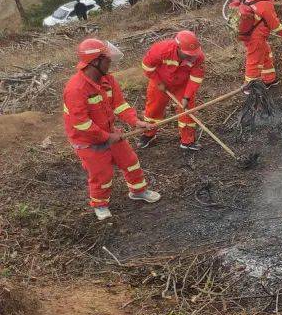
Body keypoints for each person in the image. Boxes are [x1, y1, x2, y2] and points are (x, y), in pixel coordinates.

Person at [62, 38, 160, 221]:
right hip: (87, 141)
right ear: (95, 62)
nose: (110, 63)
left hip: (109, 132)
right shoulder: (75, 89)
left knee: (130, 161)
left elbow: (119, 105)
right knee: (102, 175)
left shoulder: (107, 80)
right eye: (107, 59)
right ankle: (100, 205)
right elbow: (81, 124)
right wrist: (106, 137)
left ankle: (138, 191)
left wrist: (136, 122)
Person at [138, 30, 206, 151]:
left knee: (187, 111)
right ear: (178, 48)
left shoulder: (198, 56)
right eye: (188, 54)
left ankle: (187, 141)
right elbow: (147, 66)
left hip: (183, 85)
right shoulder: (161, 49)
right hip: (160, 82)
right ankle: (148, 135)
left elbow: (196, 78)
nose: (192, 57)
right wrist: (158, 82)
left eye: (193, 54)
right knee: (154, 109)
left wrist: (187, 96)